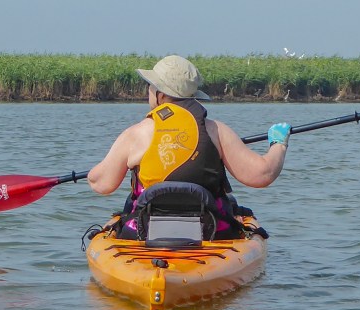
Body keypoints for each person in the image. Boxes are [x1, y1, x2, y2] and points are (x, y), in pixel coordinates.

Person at [87, 55, 291, 239]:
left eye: (150, 85)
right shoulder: (216, 131)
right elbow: (263, 174)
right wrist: (278, 144)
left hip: (142, 232)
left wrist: (93, 173)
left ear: (160, 94)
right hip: (210, 233)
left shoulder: (137, 133)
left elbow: (101, 184)